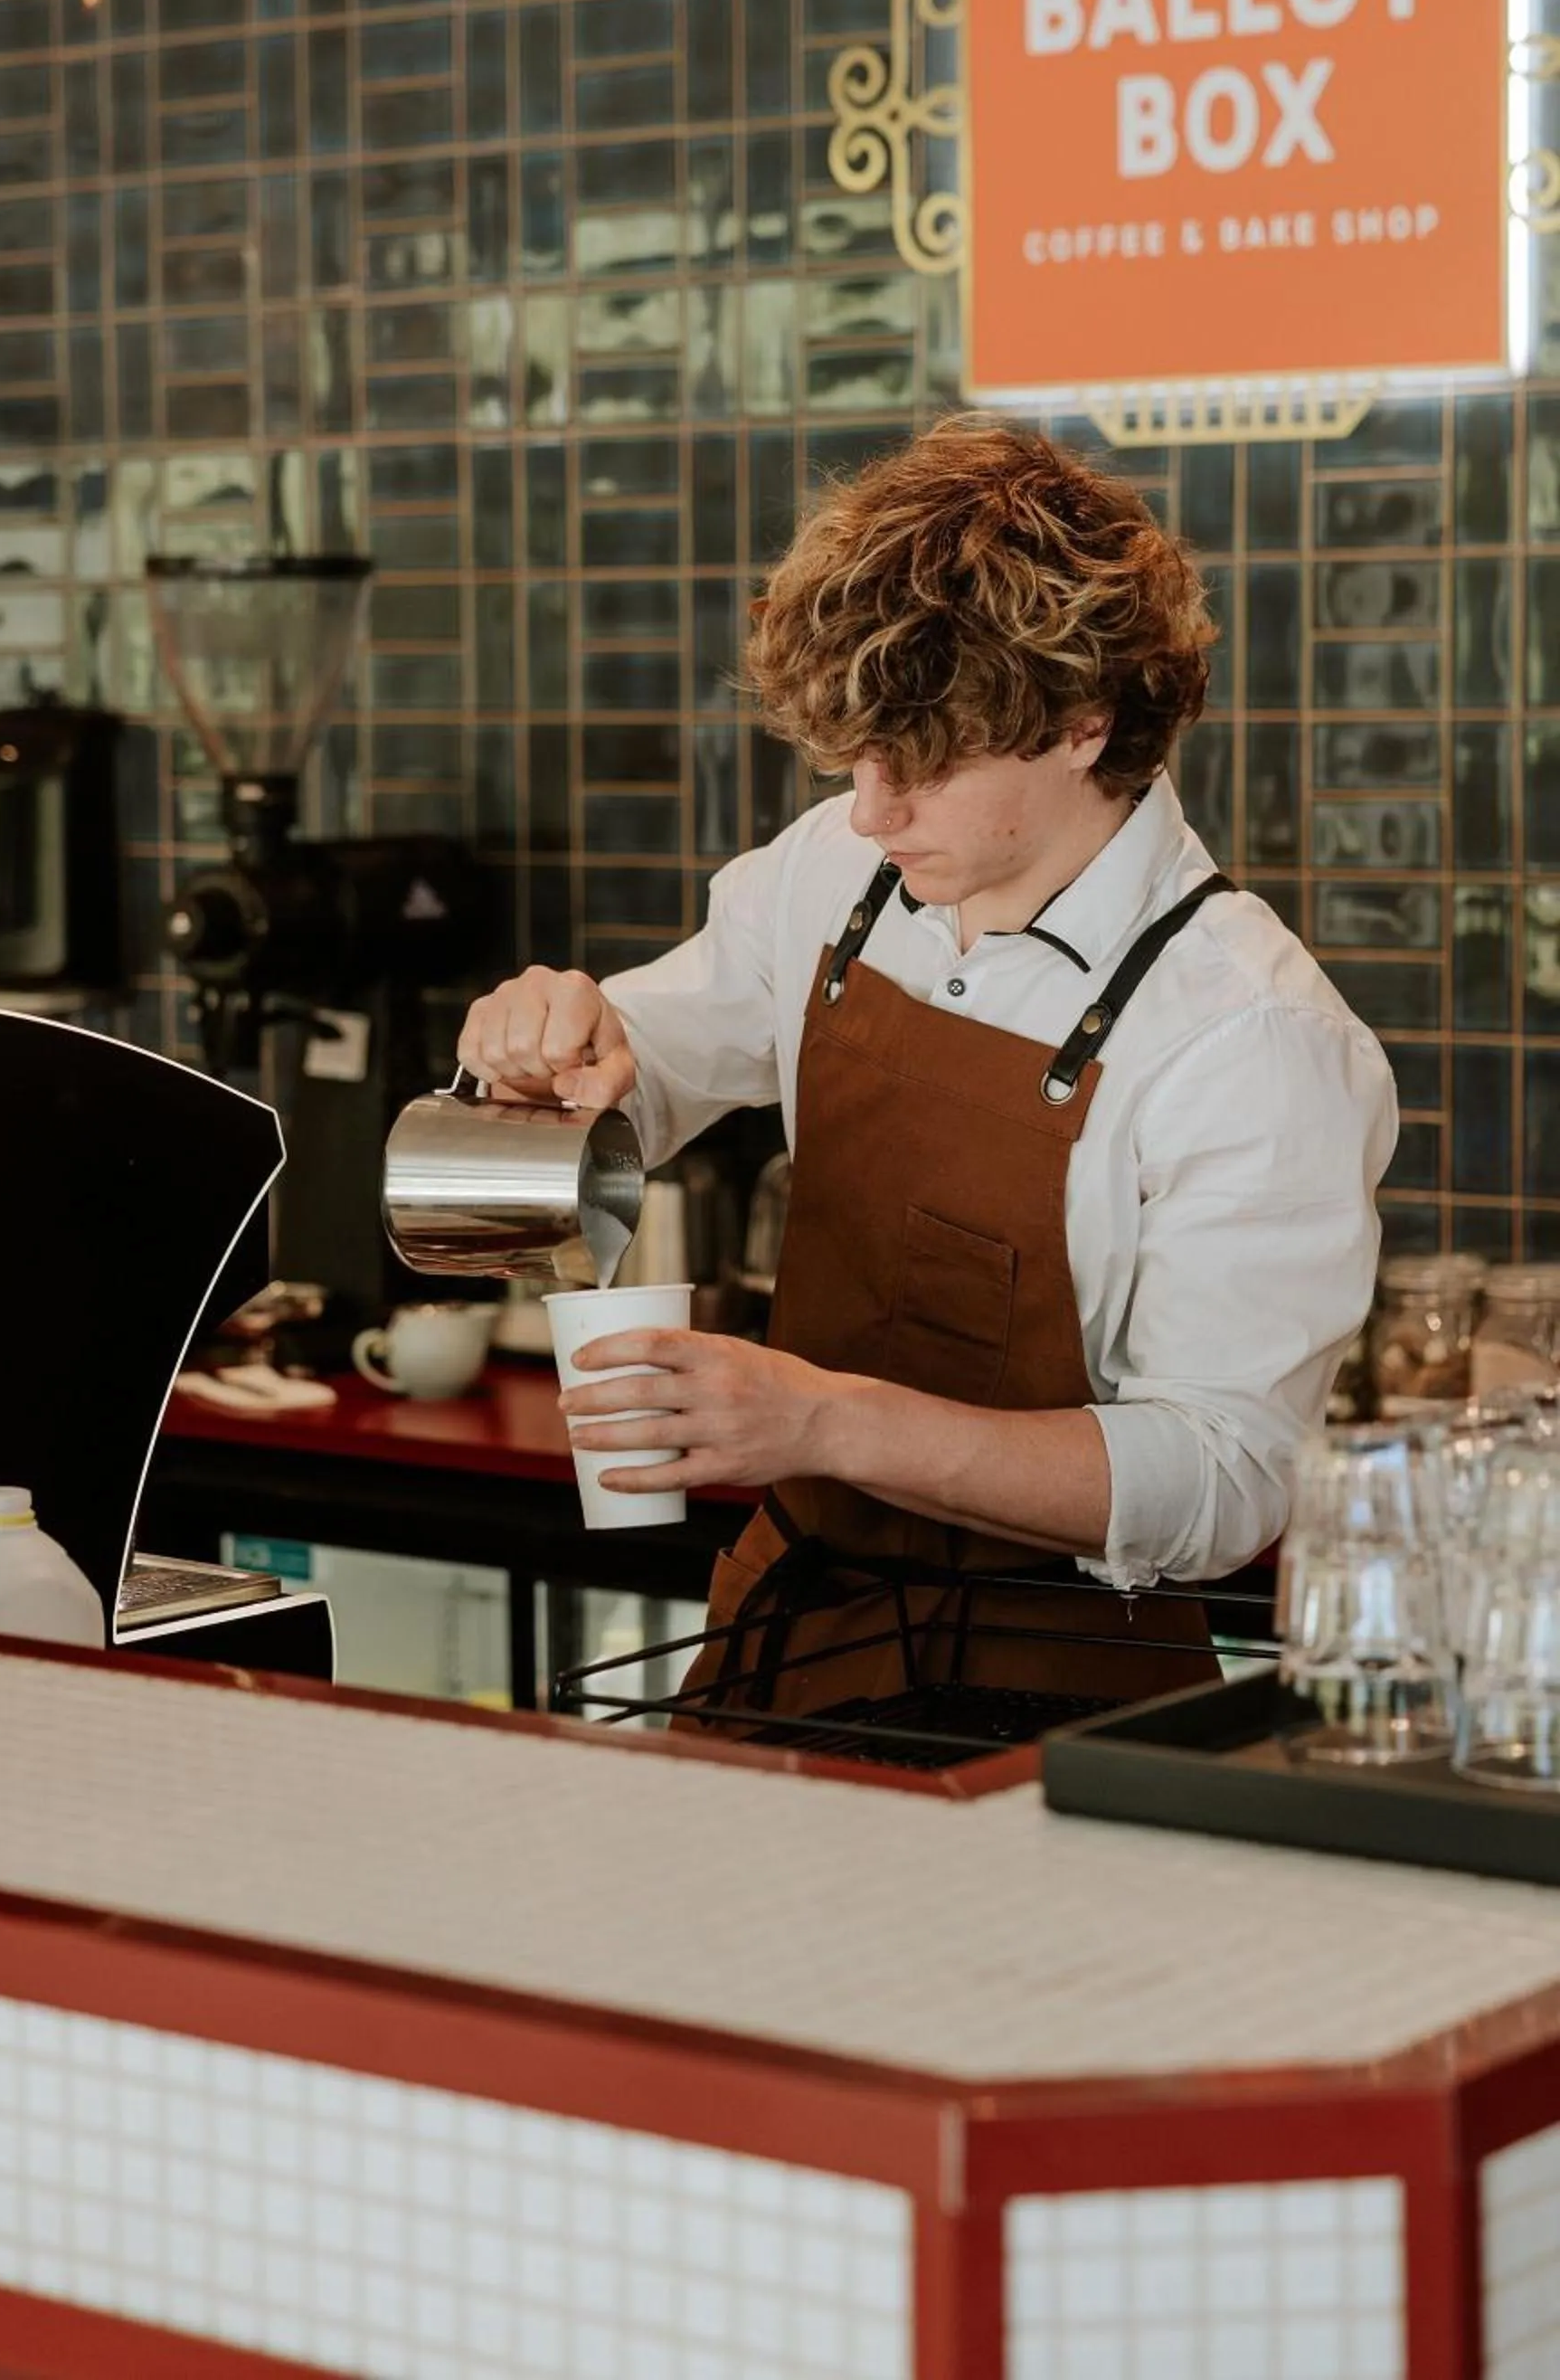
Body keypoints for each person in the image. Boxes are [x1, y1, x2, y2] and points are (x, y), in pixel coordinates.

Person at [459, 419, 1397, 1732]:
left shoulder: (1250, 1035)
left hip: (1050, 1721)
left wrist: (826, 1424)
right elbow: (648, 1066)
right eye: (854, 754)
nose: (870, 808)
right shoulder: (837, 877)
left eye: (926, 759)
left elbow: (1224, 1484)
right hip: (782, 1645)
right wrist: (559, 1042)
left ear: (1083, 722)